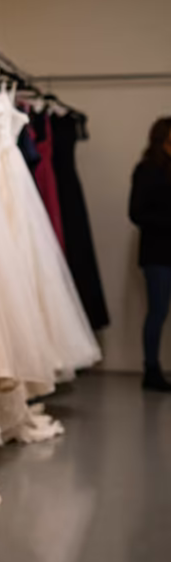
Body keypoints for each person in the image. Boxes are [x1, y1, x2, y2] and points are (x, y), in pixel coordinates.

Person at [129, 117, 171, 391]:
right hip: (157, 254)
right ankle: (151, 370)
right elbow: (136, 213)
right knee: (158, 311)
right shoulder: (146, 170)